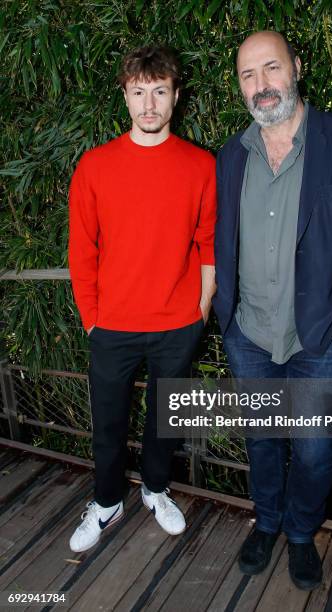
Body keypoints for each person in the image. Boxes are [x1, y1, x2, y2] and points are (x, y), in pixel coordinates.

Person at [213, 31, 332, 590]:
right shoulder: (231, 156)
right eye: (248, 74)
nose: (261, 85)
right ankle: (266, 523)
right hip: (249, 334)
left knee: (315, 453)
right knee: (262, 441)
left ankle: (298, 532)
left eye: (271, 68)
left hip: (320, 340)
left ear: (296, 67)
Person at [68, 46, 216, 552]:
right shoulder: (94, 166)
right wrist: (92, 317)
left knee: (165, 418)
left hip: (178, 323)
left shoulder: (200, 165)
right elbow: (81, 249)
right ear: (126, 96)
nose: (148, 103)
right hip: (112, 326)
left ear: (175, 96)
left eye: (158, 91)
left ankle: (156, 489)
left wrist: (202, 306)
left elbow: (209, 240)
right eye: (138, 91)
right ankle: (106, 501)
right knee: (108, 421)